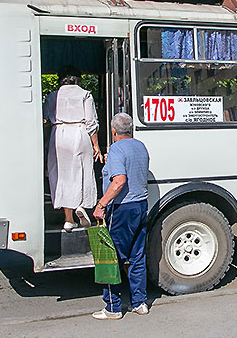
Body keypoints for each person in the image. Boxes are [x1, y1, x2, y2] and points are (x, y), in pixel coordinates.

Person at [92, 112, 150, 320]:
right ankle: (140, 303)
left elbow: (119, 181)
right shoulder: (140, 146)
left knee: (112, 258)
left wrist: (101, 204)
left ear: (114, 131)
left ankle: (113, 307)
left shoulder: (116, 148)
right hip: (141, 205)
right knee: (137, 256)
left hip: (122, 208)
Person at [43, 65, 103, 232]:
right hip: (79, 133)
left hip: (59, 134)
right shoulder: (85, 95)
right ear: (78, 78)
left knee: (62, 175)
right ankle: (81, 205)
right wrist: (96, 145)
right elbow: (91, 123)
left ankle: (68, 219)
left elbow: (46, 121)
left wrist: (47, 143)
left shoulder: (52, 97)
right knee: (82, 172)